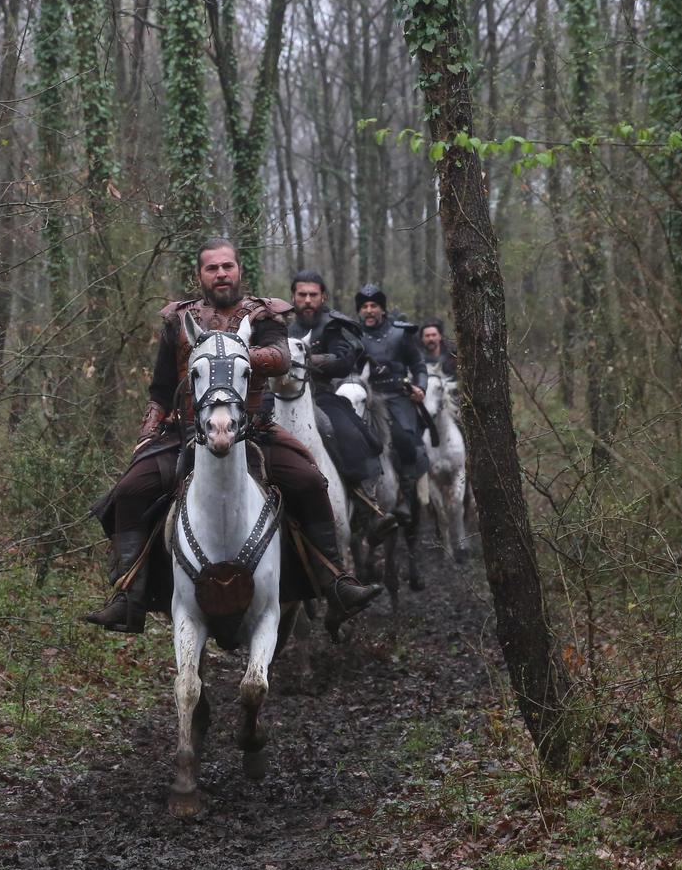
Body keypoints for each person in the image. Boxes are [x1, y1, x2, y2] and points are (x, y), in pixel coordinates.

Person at [84, 240, 382, 634]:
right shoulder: (178, 319)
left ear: (240, 270)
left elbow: (279, 359)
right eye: (212, 268)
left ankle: (336, 582)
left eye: (227, 266)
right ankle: (128, 596)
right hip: (185, 432)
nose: (221, 274)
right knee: (129, 490)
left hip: (254, 430)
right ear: (200, 276)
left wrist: (229, 349)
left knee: (310, 481)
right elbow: (159, 390)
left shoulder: (264, 315)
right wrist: (147, 434)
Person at [287, 270, 383, 493]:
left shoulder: (333, 325)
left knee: (350, 435)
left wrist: (308, 359)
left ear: (323, 297)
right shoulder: (280, 325)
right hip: (281, 396)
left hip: (321, 397)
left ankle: (365, 497)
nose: (308, 300)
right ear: (293, 297)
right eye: (302, 295)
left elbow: (344, 360)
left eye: (313, 295)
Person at [353, 284, 430, 525]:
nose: (369, 310)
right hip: (367, 399)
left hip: (398, 398)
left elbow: (418, 365)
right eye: (364, 307)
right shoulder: (354, 336)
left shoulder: (400, 334)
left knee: (405, 441)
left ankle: (404, 498)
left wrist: (421, 388)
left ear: (382, 309)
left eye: (373, 306)